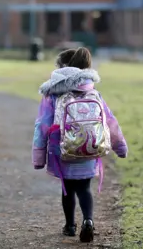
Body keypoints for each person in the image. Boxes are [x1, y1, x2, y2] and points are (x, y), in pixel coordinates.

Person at [31, 47, 128, 243]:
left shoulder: (53, 94)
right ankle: (88, 221)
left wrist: (39, 155)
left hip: (63, 150)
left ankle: (69, 226)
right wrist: (120, 147)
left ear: (62, 69)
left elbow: (42, 124)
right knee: (84, 188)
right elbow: (110, 121)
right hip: (89, 148)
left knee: (67, 189)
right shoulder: (94, 93)